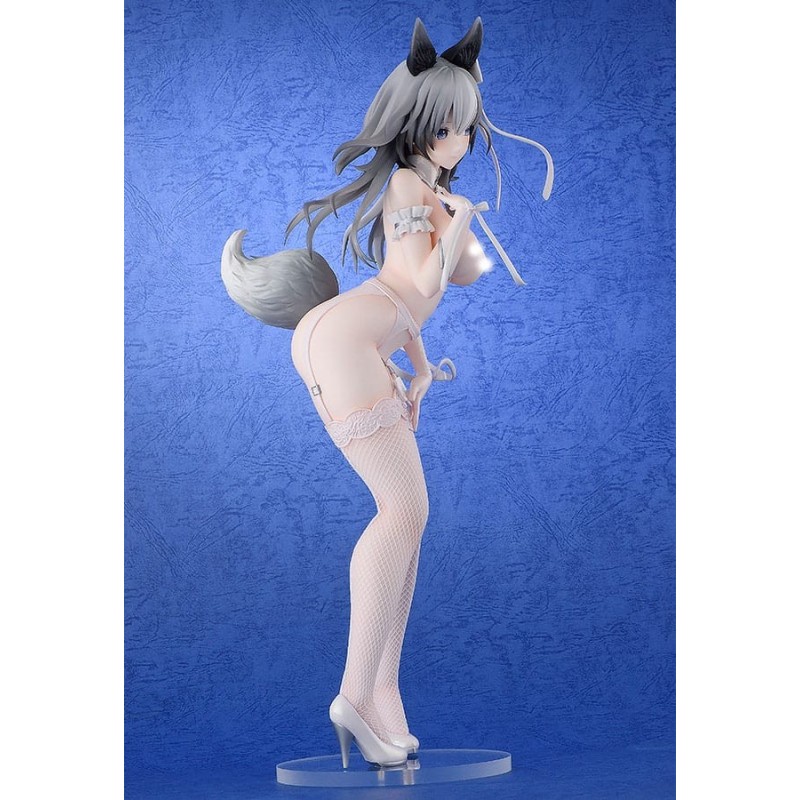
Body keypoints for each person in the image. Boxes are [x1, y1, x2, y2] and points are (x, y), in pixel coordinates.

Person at [221, 16, 553, 769]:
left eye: (465, 128)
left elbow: (425, 298)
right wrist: (456, 220)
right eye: (444, 127)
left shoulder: (425, 188)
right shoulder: (408, 184)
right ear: (414, 126)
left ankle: (381, 692)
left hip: (364, 333)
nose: (457, 141)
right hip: (348, 335)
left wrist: (421, 369)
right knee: (403, 510)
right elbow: (425, 278)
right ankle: (354, 691)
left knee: (409, 515)